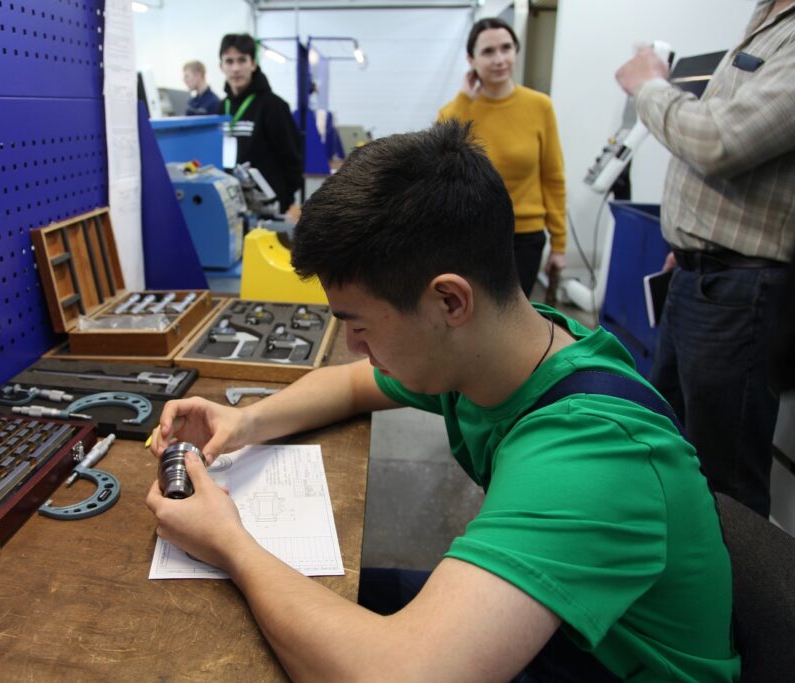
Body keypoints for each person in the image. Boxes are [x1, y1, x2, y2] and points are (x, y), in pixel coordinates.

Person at [146, 122, 739, 681]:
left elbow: (397, 675)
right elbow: (351, 384)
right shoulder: (498, 349)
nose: (352, 346)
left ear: (450, 301)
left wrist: (229, 542)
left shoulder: (592, 452)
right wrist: (244, 421)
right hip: (569, 632)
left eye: (359, 326)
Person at [615, 0, 795, 517]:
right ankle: (672, 562)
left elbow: (718, 141)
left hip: (740, 290)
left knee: (724, 482)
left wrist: (650, 85)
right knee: (665, 439)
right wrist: (692, 245)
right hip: (699, 274)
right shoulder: (767, 16)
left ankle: (731, 575)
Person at [437, 17, 567, 297]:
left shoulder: (540, 106)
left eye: (506, 48)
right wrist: (464, 99)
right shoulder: (456, 111)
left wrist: (559, 244)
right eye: (488, 51)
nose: (499, 59)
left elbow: (553, 177)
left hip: (525, 237)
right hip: (471, 234)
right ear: (471, 60)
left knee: (516, 316)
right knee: (470, 315)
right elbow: (438, 167)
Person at [217, 33, 303, 212]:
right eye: (229, 61)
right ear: (221, 66)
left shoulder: (274, 106)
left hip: (267, 207)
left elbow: (293, 159)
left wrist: (283, 199)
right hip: (230, 205)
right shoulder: (219, 109)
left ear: (253, 64)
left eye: (242, 60)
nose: (235, 68)